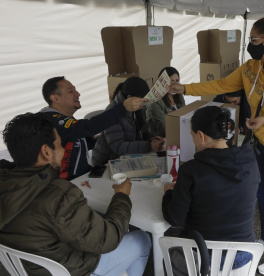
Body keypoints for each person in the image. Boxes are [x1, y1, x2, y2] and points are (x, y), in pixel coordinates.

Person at [170, 9, 264, 275]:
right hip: (261, 144)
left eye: (254, 39)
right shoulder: (251, 68)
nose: (250, 45)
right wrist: (186, 88)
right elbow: (222, 85)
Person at [0, 112, 151, 276]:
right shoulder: (59, 195)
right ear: (46, 152)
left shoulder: (6, 182)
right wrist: (122, 197)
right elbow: (106, 240)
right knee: (142, 239)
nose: (64, 150)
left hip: (22, 269)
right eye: (59, 145)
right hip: (73, 270)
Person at [162, 106, 260, 273]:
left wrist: (169, 193)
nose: (192, 139)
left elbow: (175, 219)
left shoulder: (192, 170)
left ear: (201, 136)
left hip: (203, 258)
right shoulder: (249, 160)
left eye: (192, 135)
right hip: (244, 255)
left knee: (167, 253)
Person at [40, 76, 146, 180]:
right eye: (70, 91)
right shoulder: (53, 121)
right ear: (55, 98)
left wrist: (91, 140)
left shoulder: (63, 118)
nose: (77, 94)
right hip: (68, 183)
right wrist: (123, 108)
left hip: (83, 175)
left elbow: (72, 141)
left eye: (75, 90)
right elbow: (87, 126)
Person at [92, 77, 164, 166]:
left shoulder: (139, 106)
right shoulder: (112, 112)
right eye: (142, 100)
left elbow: (142, 133)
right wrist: (149, 146)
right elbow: (118, 146)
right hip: (107, 161)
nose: (144, 103)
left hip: (129, 157)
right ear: (129, 97)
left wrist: (151, 139)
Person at [146, 67, 186, 137]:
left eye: (177, 81)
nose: (175, 84)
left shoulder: (179, 95)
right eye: (171, 81)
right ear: (162, 82)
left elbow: (185, 115)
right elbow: (163, 127)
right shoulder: (155, 101)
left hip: (179, 134)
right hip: (162, 139)